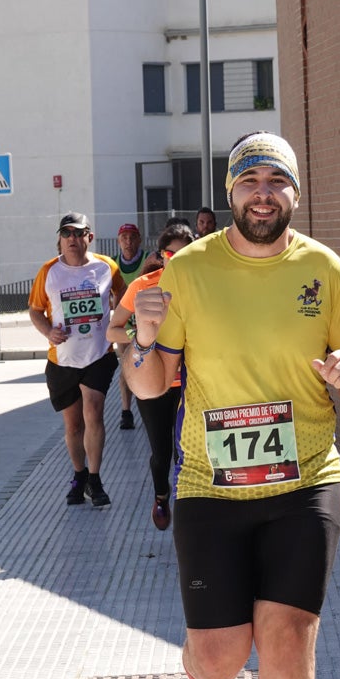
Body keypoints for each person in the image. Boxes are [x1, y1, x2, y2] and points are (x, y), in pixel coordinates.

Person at [124, 131, 340, 679]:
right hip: (211, 487)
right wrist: (140, 340)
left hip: (303, 481)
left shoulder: (324, 270)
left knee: (288, 647)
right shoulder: (190, 270)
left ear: (293, 192)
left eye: (275, 179)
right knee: (218, 655)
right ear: (230, 192)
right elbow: (149, 385)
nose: (261, 192)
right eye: (248, 180)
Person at [28, 212, 125, 507]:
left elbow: (122, 294)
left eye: (78, 233)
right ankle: (79, 474)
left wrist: (117, 322)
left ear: (89, 238)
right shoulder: (49, 272)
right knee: (72, 426)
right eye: (66, 233)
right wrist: (48, 332)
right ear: (59, 239)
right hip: (63, 360)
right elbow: (34, 310)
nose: (72, 238)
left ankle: (95, 480)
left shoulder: (106, 266)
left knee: (93, 412)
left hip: (98, 354)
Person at [107, 221, 195, 530]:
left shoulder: (202, 287)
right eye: (172, 255)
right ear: (161, 254)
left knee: (187, 449)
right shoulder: (144, 285)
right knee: (161, 451)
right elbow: (112, 329)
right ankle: (161, 496)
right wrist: (140, 336)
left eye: (186, 255)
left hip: (192, 384)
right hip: (154, 383)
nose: (178, 261)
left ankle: (187, 507)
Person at [112, 223, 150, 431]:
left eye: (132, 237)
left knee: (147, 366)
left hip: (147, 324)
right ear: (119, 241)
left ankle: (149, 406)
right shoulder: (114, 265)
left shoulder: (148, 260)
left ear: (139, 239)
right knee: (127, 366)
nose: (128, 241)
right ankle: (126, 412)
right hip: (125, 325)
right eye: (124, 237)